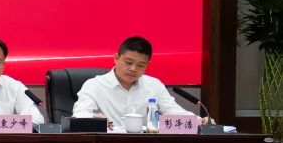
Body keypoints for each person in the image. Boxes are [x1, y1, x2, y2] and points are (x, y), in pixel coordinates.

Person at [72, 36, 205, 127]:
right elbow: (79, 115)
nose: (133, 69)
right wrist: (94, 118)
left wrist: (200, 121)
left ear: (148, 65)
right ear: (116, 58)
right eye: (128, 62)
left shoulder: (154, 86)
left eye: (141, 65)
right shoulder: (94, 86)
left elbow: (174, 112)